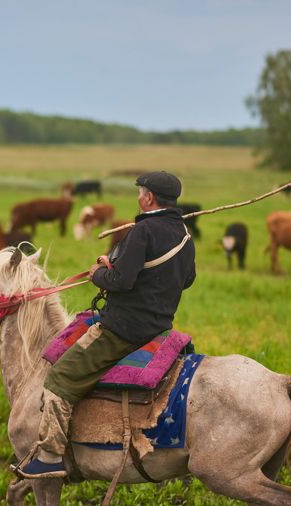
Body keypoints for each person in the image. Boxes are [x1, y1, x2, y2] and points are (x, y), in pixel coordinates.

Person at [15, 171, 197, 479]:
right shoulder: (184, 234)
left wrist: (96, 274)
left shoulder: (143, 231)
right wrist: (114, 262)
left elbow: (121, 281)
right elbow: (187, 279)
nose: (138, 197)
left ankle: (49, 456)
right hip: (159, 326)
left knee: (60, 377)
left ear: (149, 198)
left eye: (141, 192)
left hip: (123, 328)